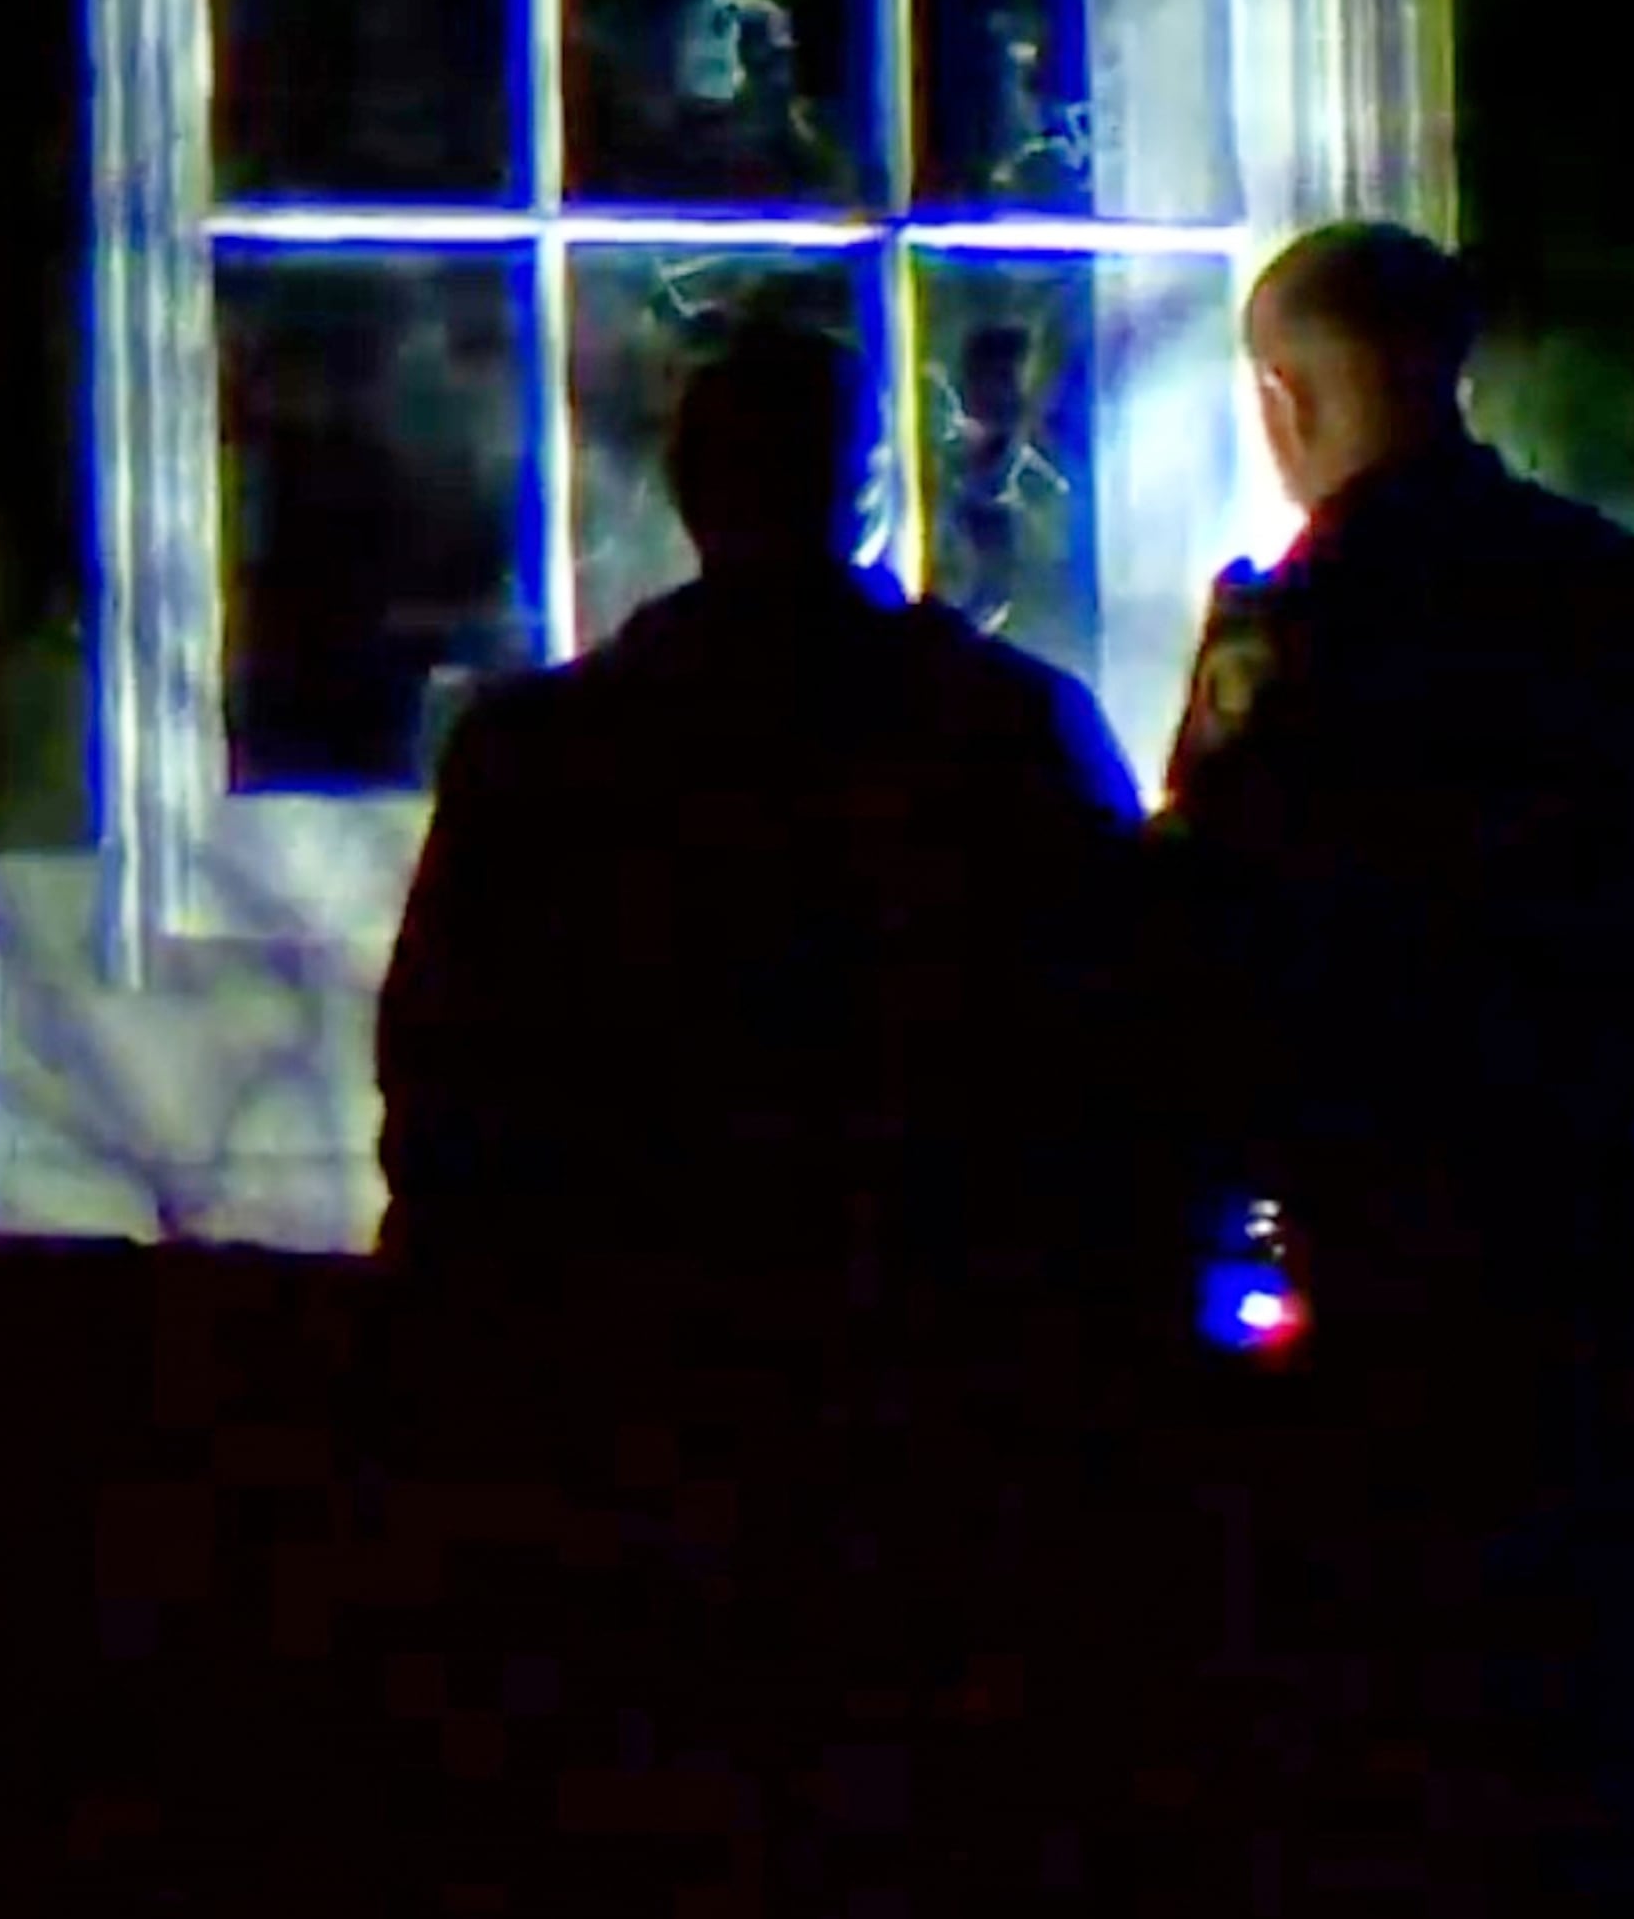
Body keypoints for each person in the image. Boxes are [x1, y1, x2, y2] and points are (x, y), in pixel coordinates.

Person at [375, 315, 1145, 1322]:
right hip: (938, 1317)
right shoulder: (1010, 729)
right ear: (869, 490)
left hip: (609, 1318)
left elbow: (442, 1079)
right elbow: (1122, 1043)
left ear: (688, 492)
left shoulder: (539, 750)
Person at [1155, 220, 1634, 1397]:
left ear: (1286, 400)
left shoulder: (1300, 636)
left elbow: (1205, 918)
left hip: (1386, 1243)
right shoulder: (1613, 591)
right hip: (1607, 1222)